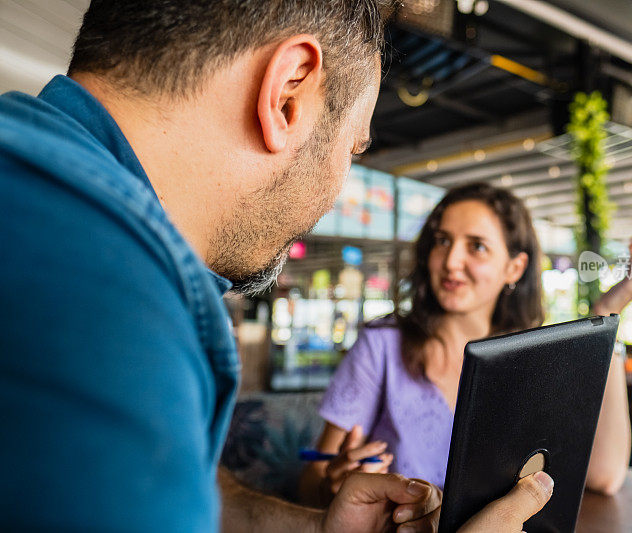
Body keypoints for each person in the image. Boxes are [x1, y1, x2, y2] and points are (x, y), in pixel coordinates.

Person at [0, 1, 555, 531]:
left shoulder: (45, 184)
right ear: (287, 92)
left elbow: (179, 484)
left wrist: (314, 528)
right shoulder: (114, 301)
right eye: (354, 148)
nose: (338, 189)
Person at [300, 183, 632, 505]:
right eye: (443, 241)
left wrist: (606, 315)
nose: (451, 261)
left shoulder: (532, 358)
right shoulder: (383, 344)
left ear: (514, 268)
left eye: (476, 246)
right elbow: (310, 479)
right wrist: (332, 484)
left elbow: (604, 476)